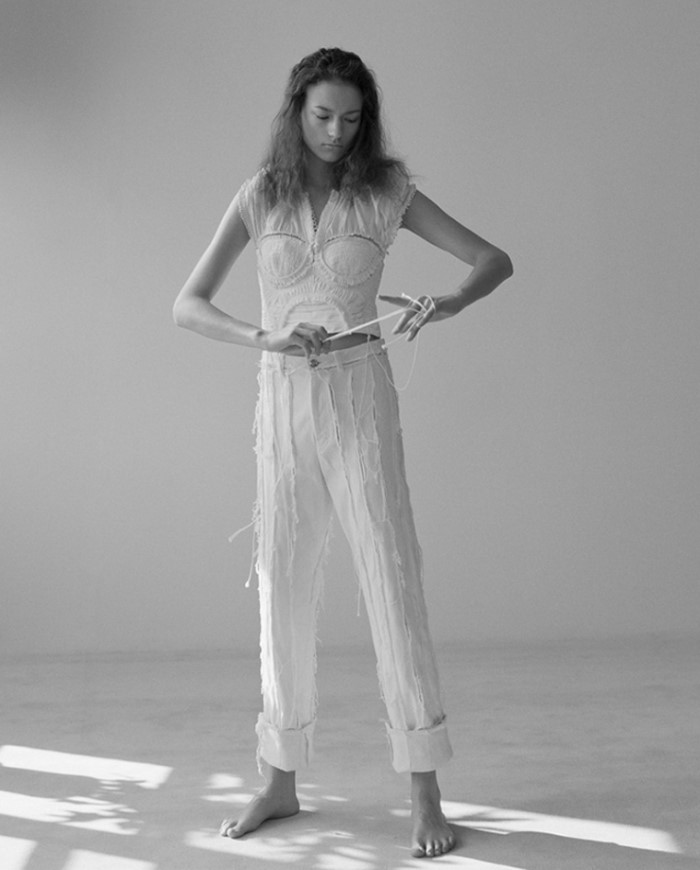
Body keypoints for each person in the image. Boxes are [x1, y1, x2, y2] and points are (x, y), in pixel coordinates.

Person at [173, 47, 512, 860]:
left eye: (351, 119)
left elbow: (493, 259)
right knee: (282, 589)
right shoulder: (261, 195)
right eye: (322, 115)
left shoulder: (387, 193)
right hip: (282, 401)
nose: (335, 132)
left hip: (362, 401)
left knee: (393, 585)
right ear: (297, 111)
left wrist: (450, 301)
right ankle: (280, 779)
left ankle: (425, 792)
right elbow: (187, 304)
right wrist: (264, 335)